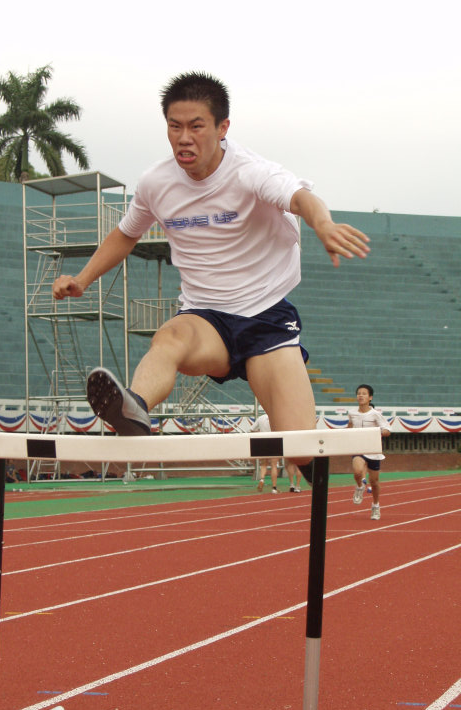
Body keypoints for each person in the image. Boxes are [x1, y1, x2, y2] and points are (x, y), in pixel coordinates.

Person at [52, 72, 370, 475]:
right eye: (174, 126)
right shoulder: (155, 183)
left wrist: (323, 224)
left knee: (300, 450)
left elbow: (301, 198)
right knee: (169, 337)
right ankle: (133, 408)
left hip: (265, 317)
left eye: (196, 126)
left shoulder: (250, 172)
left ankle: (307, 457)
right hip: (206, 318)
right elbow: (126, 234)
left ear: (222, 128)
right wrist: (82, 279)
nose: (184, 138)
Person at [347, 385, 391, 520]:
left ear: (370, 397)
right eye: (359, 393)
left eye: (364, 394)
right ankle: (360, 486)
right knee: (357, 471)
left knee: (374, 482)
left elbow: (387, 430)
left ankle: (376, 505)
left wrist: (381, 431)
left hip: (373, 450)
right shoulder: (352, 413)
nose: (361, 395)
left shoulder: (375, 414)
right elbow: (349, 426)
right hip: (358, 448)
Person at [250, 414, 279, 493]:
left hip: (263, 441)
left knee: (263, 464)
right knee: (274, 465)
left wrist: (259, 433)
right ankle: (274, 488)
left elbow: (251, 429)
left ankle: (262, 480)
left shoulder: (261, 418)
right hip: (274, 441)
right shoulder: (275, 417)